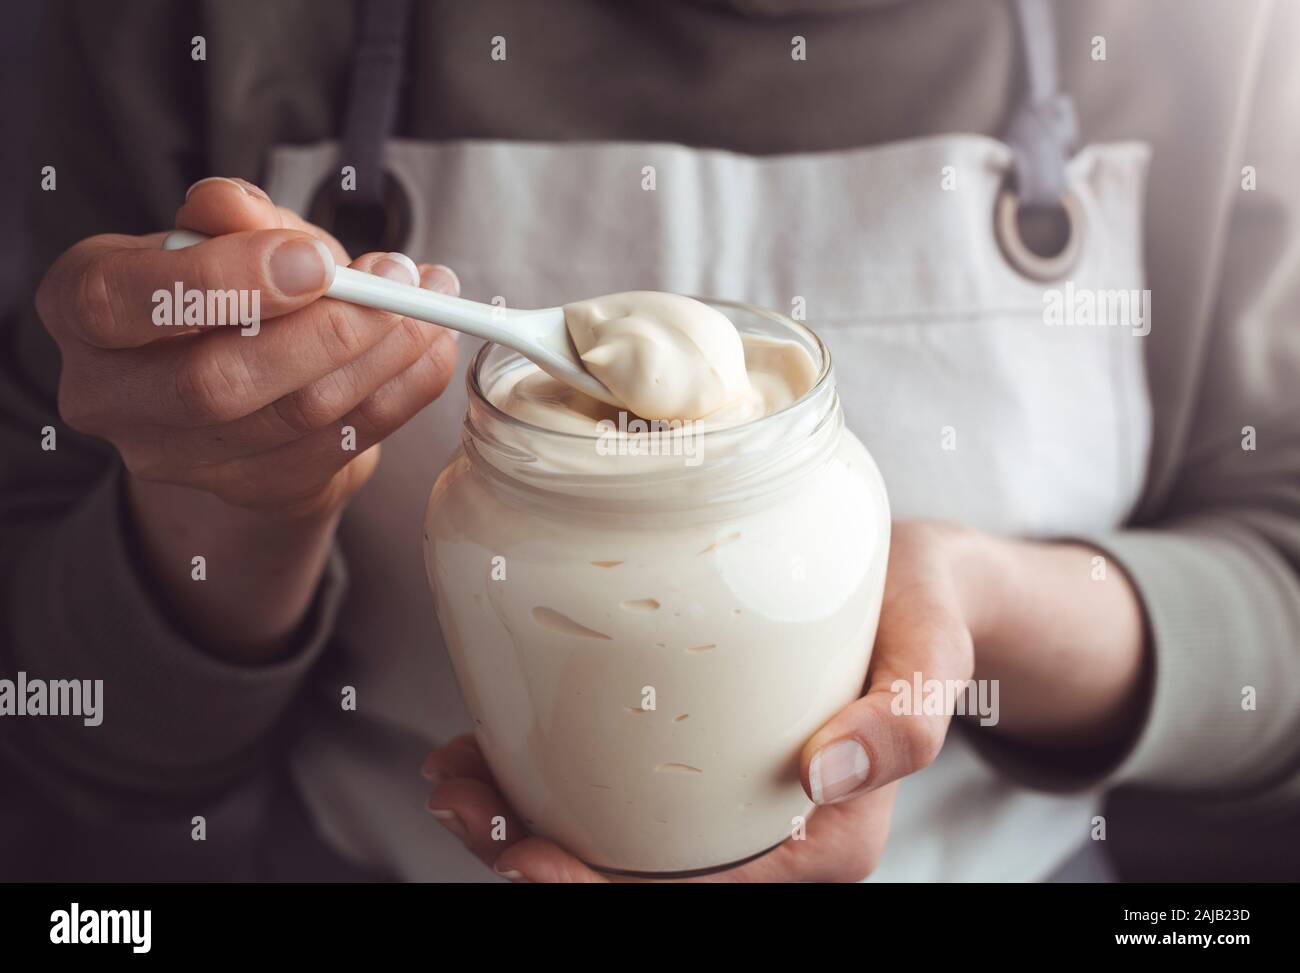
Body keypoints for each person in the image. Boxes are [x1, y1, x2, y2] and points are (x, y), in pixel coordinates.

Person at [3, 0, 1298, 883]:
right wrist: (231, 506)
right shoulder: (162, 26)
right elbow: (54, 738)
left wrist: (987, 607)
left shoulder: (1225, 38)